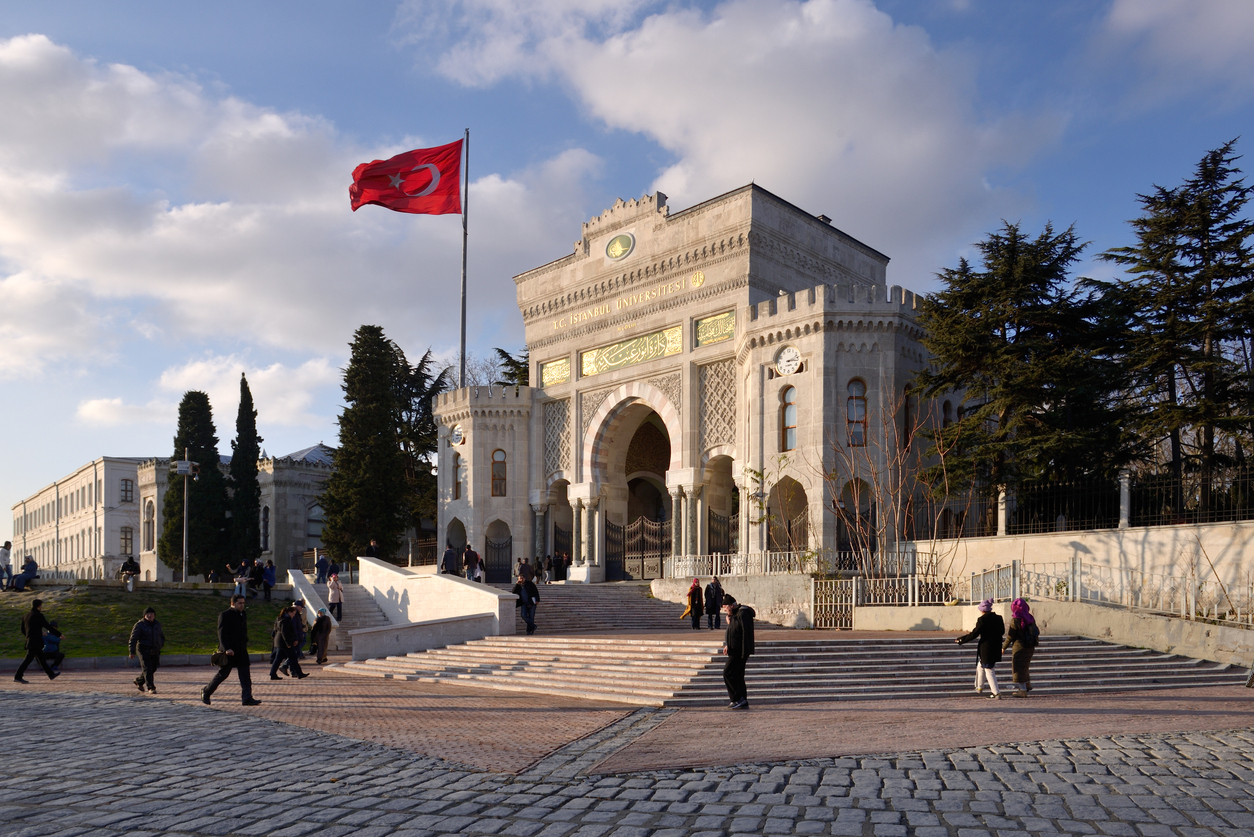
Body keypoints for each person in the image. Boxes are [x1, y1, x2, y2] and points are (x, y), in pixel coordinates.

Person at [203, 594, 261, 706]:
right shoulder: (225, 615)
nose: (242, 605)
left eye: (243, 603)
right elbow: (221, 634)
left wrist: (245, 640)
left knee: (245, 676)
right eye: (240, 603)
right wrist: (226, 648)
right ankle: (206, 692)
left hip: (241, 649)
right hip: (229, 651)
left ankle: (247, 698)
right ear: (233, 603)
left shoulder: (243, 614)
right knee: (223, 674)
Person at [957, 598, 1006, 699]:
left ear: (982, 610)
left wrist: (961, 640)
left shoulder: (982, 620)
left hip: (986, 647)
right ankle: (979, 687)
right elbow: (1002, 631)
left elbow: (974, 634)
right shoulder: (999, 618)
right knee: (981, 665)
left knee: (989, 669)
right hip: (996, 646)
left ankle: (996, 692)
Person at [721, 594, 755, 709]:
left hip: (740, 651)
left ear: (731, 606)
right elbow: (733, 632)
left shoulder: (742, 614)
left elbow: (744, 633)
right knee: (738, 675)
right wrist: (727, 645)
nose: (724, 610)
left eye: (725, 607)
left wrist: (744, 651)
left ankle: (736, 698)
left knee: (728, 672)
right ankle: (742, 700)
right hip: (734, 649)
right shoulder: (734, 615)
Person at [14, 599, 59, 683]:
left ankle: (51, 674)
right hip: (35, 642)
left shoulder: (25, 615)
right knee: (28, 659)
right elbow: (47, 626)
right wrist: (59, 634)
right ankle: (18, 676)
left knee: (41, 659)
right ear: (39, 606)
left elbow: (23, 630)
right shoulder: (38, 615)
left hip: (31, 641)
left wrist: (30, 636)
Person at [1003, 597, 1039, 698]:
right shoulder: (1030, 618)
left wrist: (1003, 647)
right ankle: (1027, 683)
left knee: (1019, 668)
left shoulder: (1015, 620)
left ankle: (1022, 690)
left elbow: (1010, 636)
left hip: (1019, 646)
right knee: (1025, 665)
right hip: (1030, 646)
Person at [128, 607, 166, 693]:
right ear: (144, 615)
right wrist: (132, 651)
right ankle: (151, 687)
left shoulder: (157, 624)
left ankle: (139, 681)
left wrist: (160, 645)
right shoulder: (139, 625)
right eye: (147, 614)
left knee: (154, 668)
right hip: (143, 649)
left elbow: (161, 636)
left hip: (155, 649)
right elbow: (133, 639)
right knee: (147, 668)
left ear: (154, 615)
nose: (149, 615)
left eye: (151, 614)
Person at [270, 605, 308, 680]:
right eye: (293, 613)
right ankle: (299, 673)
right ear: (289, 612)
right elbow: (285, 633)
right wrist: (289, 643)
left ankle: (273, 673)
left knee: (279, 659)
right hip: (284, 643)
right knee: (293, 658)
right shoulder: (285, 620)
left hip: (280, 642)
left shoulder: (281, 619)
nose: (294, 615)